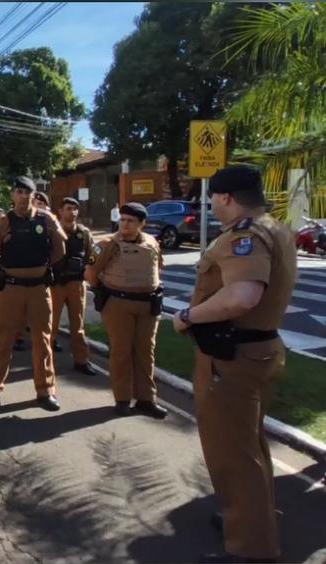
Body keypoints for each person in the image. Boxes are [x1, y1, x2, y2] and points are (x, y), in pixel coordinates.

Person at [171, 165, 296, 563]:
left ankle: (252, 546)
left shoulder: (245, 236)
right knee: (250, 445)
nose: (210, 205)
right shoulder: (274, 228)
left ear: (225, 197)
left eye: (212, 198)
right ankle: (249, 519)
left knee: (234, 453)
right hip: (256, 351)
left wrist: (188, 317)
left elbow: (242, 296)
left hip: (233, 359)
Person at [0, 176, 66, 411]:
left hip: (40, 288)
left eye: (26, 192)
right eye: (18, 191)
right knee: (3, 339)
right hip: (11, 288)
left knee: (43, 340)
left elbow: (61, 248)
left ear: (33, 195)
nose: (22, 196)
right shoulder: (3, 222)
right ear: (12, 195)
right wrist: (4, 270)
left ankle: (45, 391)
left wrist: (44, 267)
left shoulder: (47, 218)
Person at [85, 202, 167, 419]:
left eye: (130, 220)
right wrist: (103, 291)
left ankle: (146, 399)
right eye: (122, 219)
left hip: (148, 305)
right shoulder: (107, 244)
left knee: (145, 352)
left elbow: (158, 267)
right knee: (121, 351)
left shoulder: (151, 242)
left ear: (142, 223)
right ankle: (122, 398)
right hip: (118, 304)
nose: (125, 224)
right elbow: (91, 273)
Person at [50, 197, 96, 375]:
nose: (72, 212)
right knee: (51, 325)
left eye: (75, 209)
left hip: (76, 283)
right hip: (56, 284)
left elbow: (91, 256)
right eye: (68, 208)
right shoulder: (52, 231)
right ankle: (46, 363)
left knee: (77, 326)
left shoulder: (84, 233)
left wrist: (87, 271)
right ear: (60, 211)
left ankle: (81, 361)